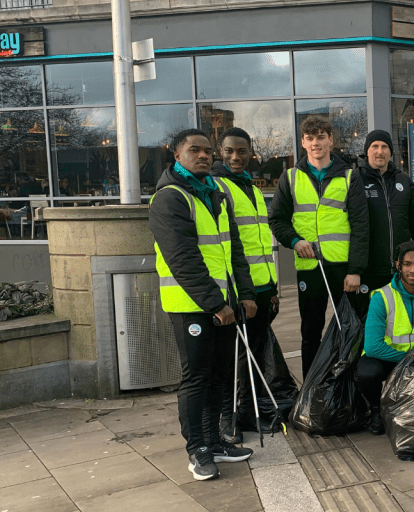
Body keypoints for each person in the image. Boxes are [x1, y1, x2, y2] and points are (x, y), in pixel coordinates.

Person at [148, 129, 255, 481]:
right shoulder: (170, 198)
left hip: (223, 304)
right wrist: (214, 303)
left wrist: (245, 295)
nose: (204, 156)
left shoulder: (215, 194)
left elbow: (233, 249)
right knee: (196, 379)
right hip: (192, 306)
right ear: (176, 155)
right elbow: (183, 259)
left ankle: (215, 442)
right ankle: (198, 450)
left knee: (219, 376)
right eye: (195, 150)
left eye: (208, 151)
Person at [268, 115, 370, 379]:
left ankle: (347, 387)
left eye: (321, 137)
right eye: (310, 138)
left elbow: (361, 226)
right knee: (310, 332)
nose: (316, 143)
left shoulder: (350, 177)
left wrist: (356, 269)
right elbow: (277, 220)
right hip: (309, 268)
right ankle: (311, 389)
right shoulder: (289, 177)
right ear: (303, 142)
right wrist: (294, 241)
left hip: (343, 269)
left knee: (347, 329)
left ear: (331, 140)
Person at [210, 127, 281, 443]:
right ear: (220, 152)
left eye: (241, 151)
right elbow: (226, 246)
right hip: (240, 289)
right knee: (235, 358)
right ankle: (230, 418)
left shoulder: (249, 186)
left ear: (251, 153)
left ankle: (250, 411)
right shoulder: (216, 185)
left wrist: (274, 287)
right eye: (229, 151)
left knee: (252, 353)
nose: (235, 157)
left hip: (263, 287)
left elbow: (262, 241)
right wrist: (236, 290)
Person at [358, 240, 414, 435]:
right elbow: (373, 346)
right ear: (398, 266)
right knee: (366, 372)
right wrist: (408, 360)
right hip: (389, 359)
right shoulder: (380, 297)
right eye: (407, 264)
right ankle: (376, 410)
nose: (413, 269)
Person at [351, 130, 414, 319]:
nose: (379, 151)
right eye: (374, 146)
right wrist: (354, 269)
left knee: (399, 322)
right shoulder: (355, 179)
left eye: (384, 147)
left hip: (399, 271)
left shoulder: (404, 182)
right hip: (368, 271)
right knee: (368, 324)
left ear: (390, 152)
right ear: (367, 151)